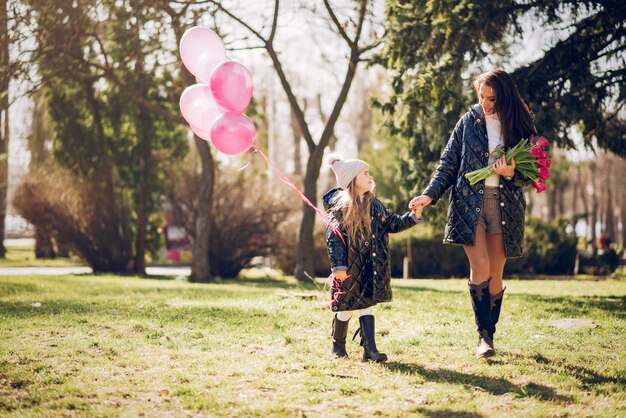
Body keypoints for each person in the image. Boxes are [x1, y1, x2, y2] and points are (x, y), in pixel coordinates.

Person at [409, 69, 537, 358]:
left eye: (492, 99)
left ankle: (489, 334)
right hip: (469, 203)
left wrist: (510, 174)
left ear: (504, 97)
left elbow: (531, 175)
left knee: (495, 274)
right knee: (479, 266)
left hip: (505, 207)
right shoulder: (468, 121)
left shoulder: (519, 125)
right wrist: (430, 195)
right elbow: (448, 163)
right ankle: (484, 338)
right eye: (481, 96)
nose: (485, 103)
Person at [323, 154, 424, 362]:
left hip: (370, 267)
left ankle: (370, 349)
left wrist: (413, 217)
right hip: (350, 268)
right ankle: (337, 345)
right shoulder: (341, 210)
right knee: (347, 307)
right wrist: (338, 266)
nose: (370, 177)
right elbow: (333, 238)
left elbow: (392, 223)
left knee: (367, 304)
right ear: (352, 181)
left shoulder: (374, 205)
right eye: (365, 174)